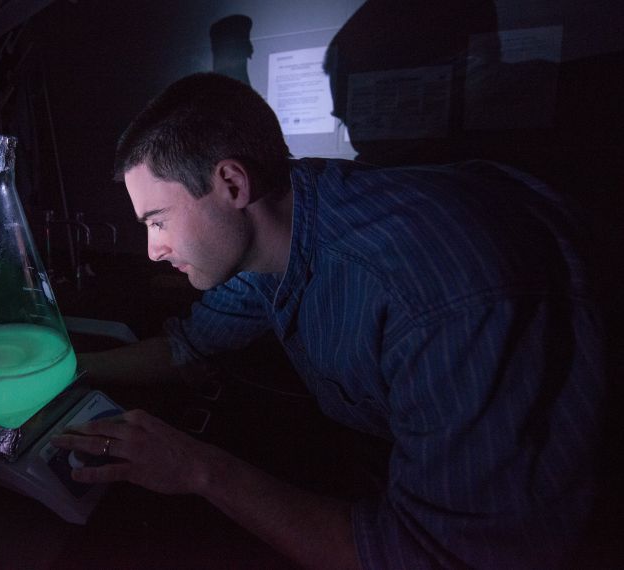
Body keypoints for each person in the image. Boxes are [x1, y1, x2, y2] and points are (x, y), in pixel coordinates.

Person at [51, 72, 607, 569]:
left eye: (157, 220)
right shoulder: (283, 220)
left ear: (232, 184)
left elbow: (436, 555)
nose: (152, 250)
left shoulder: (434, 300)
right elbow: (192, 346)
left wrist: (199, 470)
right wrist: (71, 370)